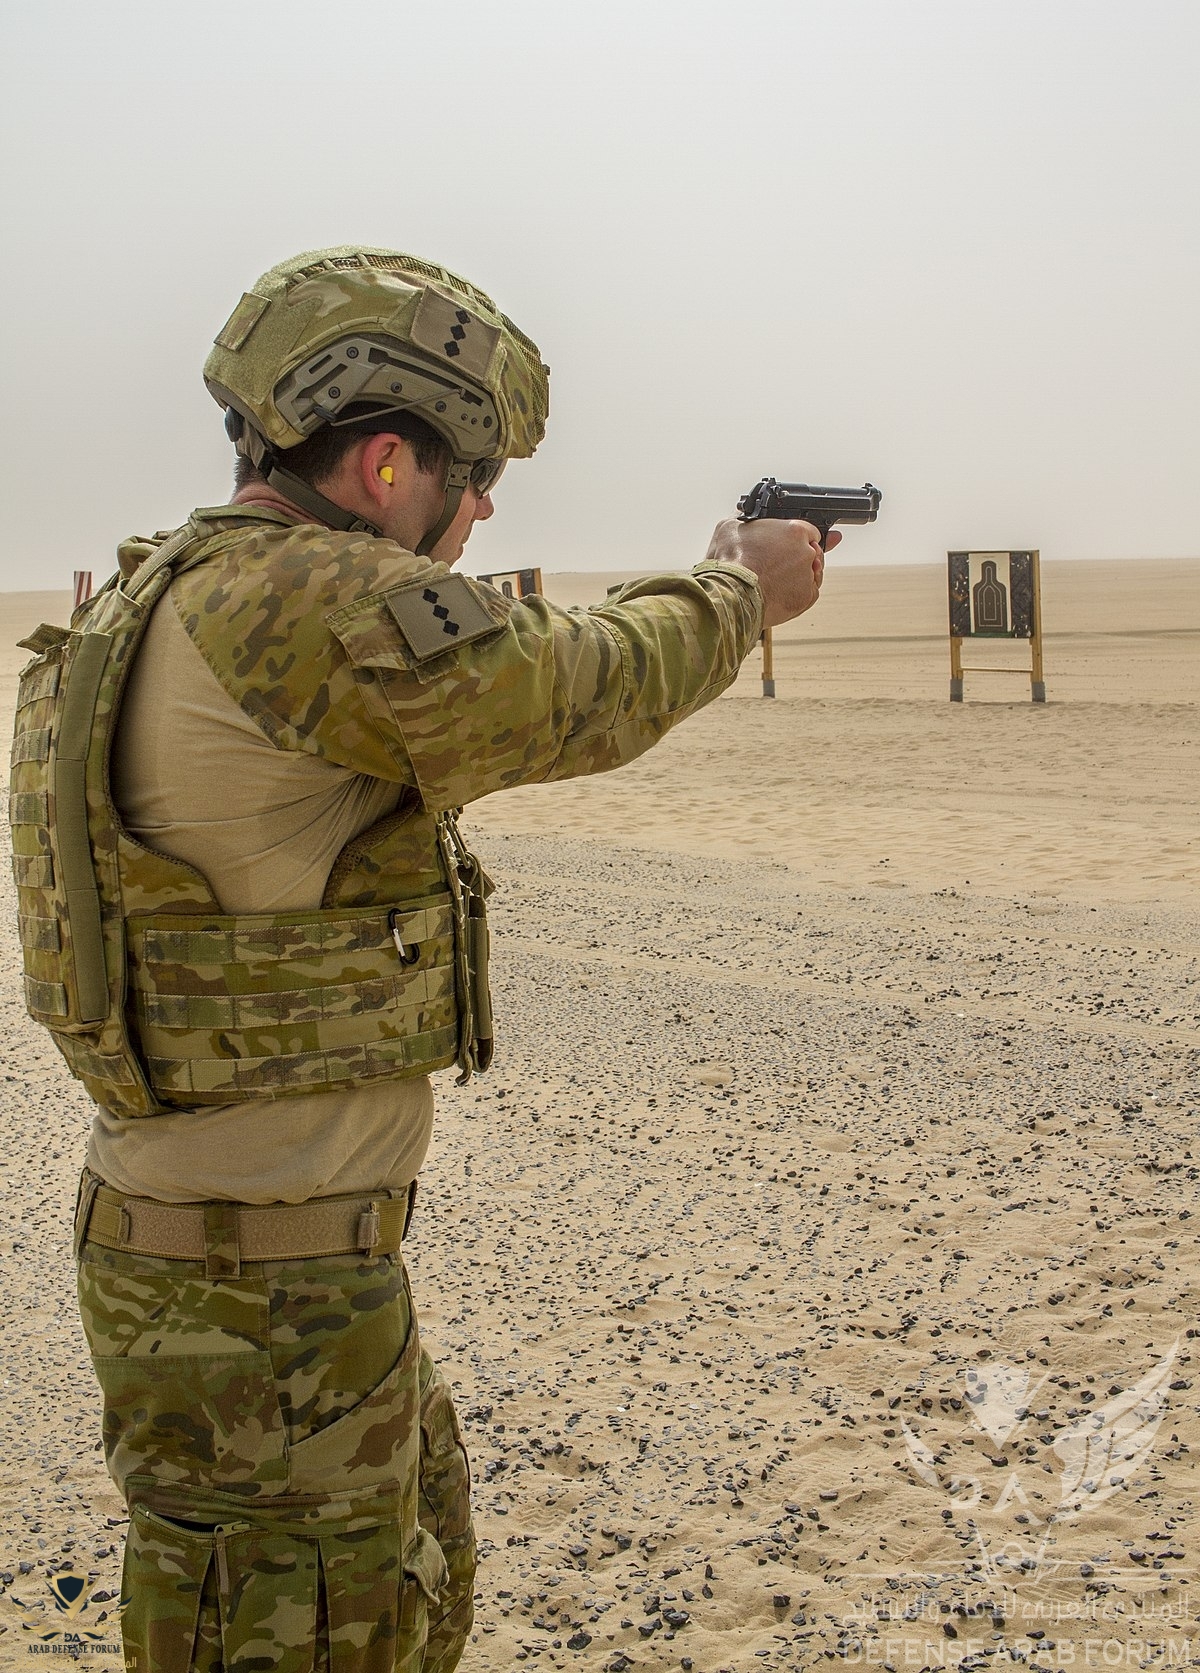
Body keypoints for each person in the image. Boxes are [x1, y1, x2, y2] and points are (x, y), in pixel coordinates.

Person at [8, 245, 835, 1672]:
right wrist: (736, 591)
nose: (485, 509)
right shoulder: (299, 602)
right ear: (386, 465)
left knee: (386, 1605)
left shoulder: (169, 593)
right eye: (474, 473)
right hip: (256, 1282)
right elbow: (567, 686)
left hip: (252, 1264)